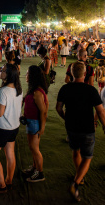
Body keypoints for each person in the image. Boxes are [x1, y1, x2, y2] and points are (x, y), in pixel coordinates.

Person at [56, 61, 105, 202]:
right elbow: (100, 111)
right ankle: (76, 182)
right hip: (87, 128)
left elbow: (59, 108)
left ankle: (79, 177)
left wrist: (65, 118)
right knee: (87, 157)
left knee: (75, 151)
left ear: (71, 73)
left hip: (71, 127)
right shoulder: (91, 90)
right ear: (85, 74)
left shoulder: (65, 89)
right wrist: (104, 125)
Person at [0, 64, 23, 194]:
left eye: (2, 70)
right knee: (10, 154)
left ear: (8, 75)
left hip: (2, 128)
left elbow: (0, 112)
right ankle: (9, 180)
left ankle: (2, 185)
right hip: (13, 127)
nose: (0, 71)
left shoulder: (3, 91)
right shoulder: (19, 89)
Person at [22, 65, 48, 182]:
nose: (26, 75)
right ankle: (35, 168)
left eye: (28, 74)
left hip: (35, 123)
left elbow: (43, 111)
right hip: (30, 121)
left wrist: (42, 128)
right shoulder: (33, 90)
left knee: (34, 149)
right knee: (33, 148)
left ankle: (40, 173)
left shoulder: (37, 92)